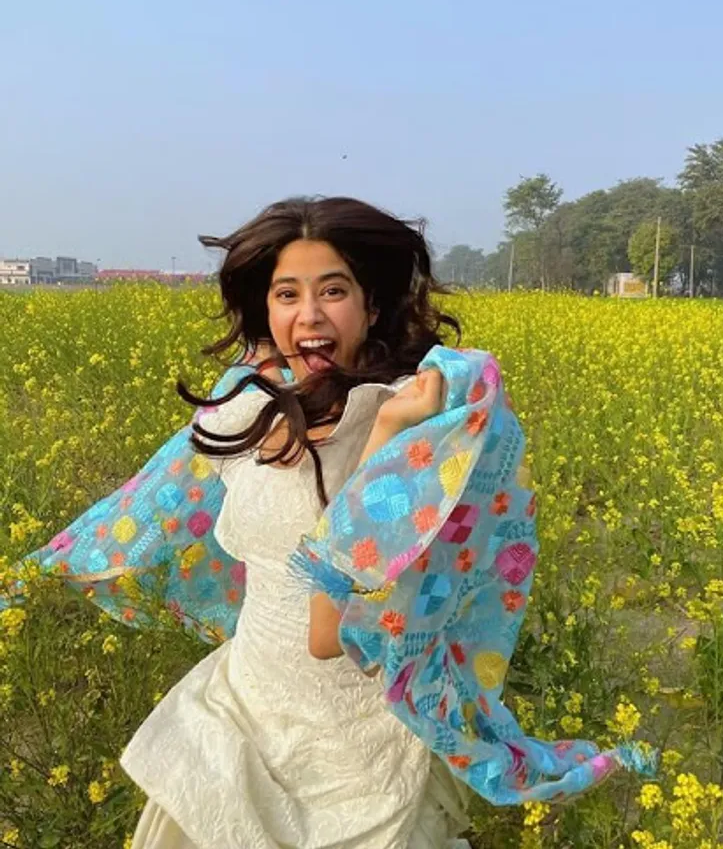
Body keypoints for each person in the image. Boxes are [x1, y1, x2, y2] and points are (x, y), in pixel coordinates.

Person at [119, 197, 473, 848]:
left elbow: (332, 631)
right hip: (244, 711)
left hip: (353, 749)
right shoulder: (246, 410)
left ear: (371, 307)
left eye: (333, 291)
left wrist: (386, 437)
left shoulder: (413, 423)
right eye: (287, 294)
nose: (309, 314)